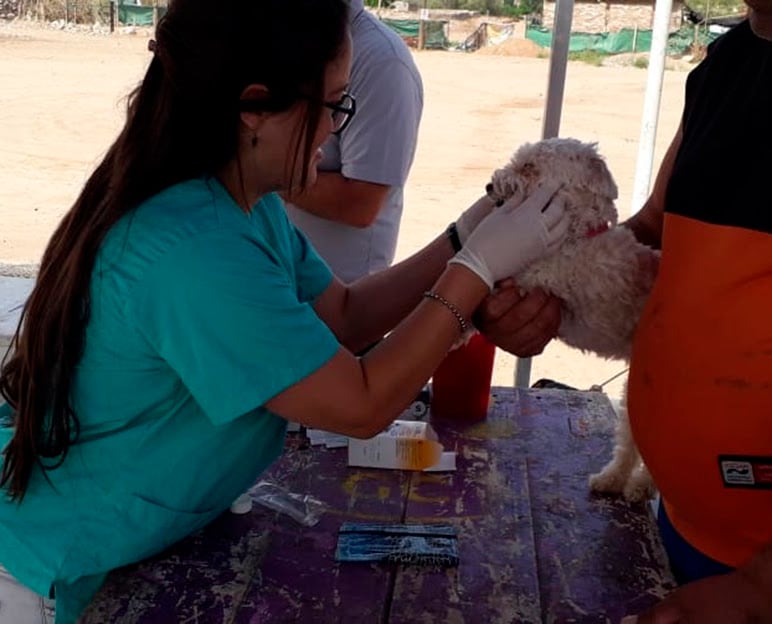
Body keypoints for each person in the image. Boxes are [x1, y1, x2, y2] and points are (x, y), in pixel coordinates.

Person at [0, 1, 568, 622]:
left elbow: (346, 316)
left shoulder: (239, 200)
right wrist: (474, 275)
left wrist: (471, 230)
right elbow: (361, 404)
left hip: (130, 537)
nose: (335, 129)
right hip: (46, 568)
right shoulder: (191, 248)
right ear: (254, 106)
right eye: (333, 105)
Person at [480, 5, 772, 621]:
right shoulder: (726, 62)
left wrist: (761, 586)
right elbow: (650, 227)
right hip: (687, 519)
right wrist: (553, 301)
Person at [283, 0, 423, 284]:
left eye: (335, 104)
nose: (324, 128)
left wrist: (252, 173)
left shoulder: (381, 60)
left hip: (340, 294)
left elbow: (360, 203)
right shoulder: (287, 35)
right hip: (279, 278)